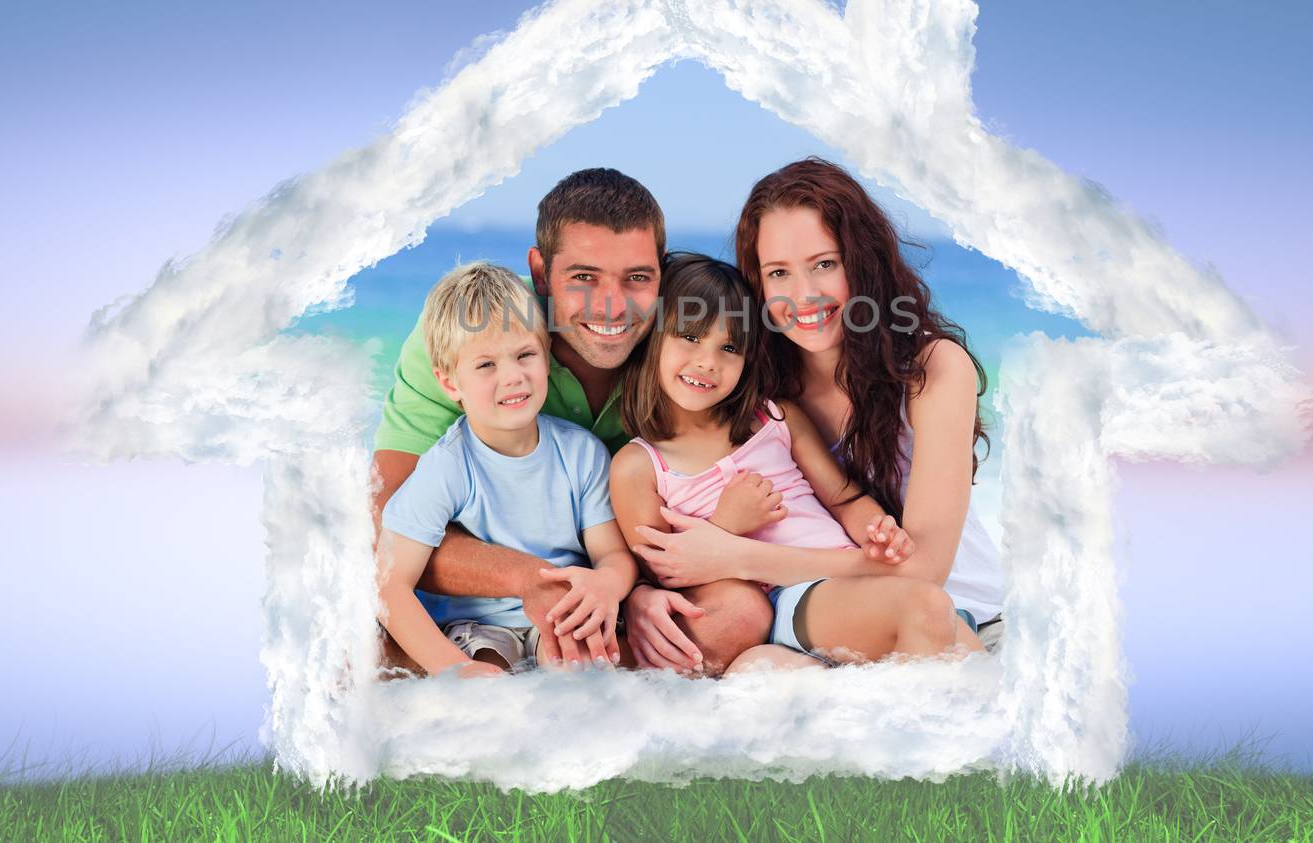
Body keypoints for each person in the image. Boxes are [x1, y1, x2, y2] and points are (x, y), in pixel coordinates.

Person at [370, 168, 772, 671]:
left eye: (637, 279)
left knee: (738, 614)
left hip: (607, 590)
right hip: (497, 604)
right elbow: (383, 529)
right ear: (541, 272)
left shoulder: (688, 350)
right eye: (583, 277)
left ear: (661, 278)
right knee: (352, 640)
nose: (612, 305)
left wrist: (637, 591)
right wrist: (530, 579)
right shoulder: (472, 338)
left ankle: (565, 697)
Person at [625, 158, 1007, 667]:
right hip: (819, 611)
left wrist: (736, 554)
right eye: (778, 272)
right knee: (758, 674)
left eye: (825, 264)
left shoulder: (932, 368)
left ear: (862, 261)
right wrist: (639, 595)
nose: (803, 295)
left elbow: (925, 572)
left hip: (956, 610)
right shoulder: (760, 389)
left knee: (923, 617)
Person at [377, 262, 636, 676]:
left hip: (565, 614)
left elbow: (613, 554)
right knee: (489, 685)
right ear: (449, 384)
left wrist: (607, 583)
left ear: (546, 358)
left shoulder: (581, 453)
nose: (512, 377)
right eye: (486, 365)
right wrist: (453, 670)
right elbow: (390, 581)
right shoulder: (447, 465)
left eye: (525, 355)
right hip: (480, 629)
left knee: (582, 674)